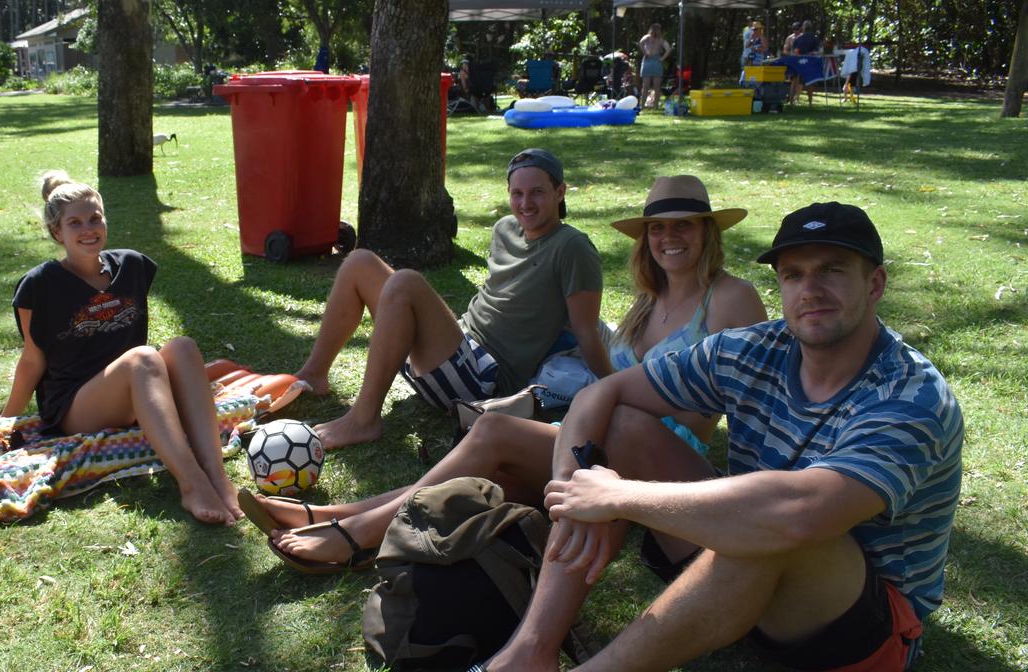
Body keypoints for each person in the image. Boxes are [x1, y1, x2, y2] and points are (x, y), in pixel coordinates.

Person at [478, 202, 964, 672]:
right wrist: (574, 485)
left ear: (874, 283)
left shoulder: (911, 395)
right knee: (624, 424)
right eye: (794, 275)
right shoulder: (756, 350)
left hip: (855, 622)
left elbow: (800, 515)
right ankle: (529, 653)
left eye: (832, 271)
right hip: (740, 572)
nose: (809, 290)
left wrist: (619, 496)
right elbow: (600, 394)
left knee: (773, 526)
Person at [254, 177, 765, 571]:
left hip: (655, 455)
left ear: (708, 231)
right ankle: (336, 517)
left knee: (494, 431)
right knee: (490, 478)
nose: (669, 237)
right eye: (658, 227)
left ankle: (354, 537)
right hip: (599, 438)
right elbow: (606, 372)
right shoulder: (649, 300)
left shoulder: (731, 298)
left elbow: (720, 408)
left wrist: (611, 406)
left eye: (684, 225)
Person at [294, 149, 610, 450]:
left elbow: (585, 330)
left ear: (560, 192)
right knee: (359, 261)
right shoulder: (505, 230)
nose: (526, 203)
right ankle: (313, 375)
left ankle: (363, 420)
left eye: (538, 192)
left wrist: (617, 387)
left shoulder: (573, 247)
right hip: (454, 351)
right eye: (517, 193)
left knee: (405, 283)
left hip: (484, 378)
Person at [0, 171, 242, 525]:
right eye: (75, 223)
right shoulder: (39, 285)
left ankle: (216, 474)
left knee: (183, 346)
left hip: (135, 390)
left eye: (95, 218)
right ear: (56, 232)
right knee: (143, 357)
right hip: (75, 405)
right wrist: (9, 421)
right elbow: (33, 359)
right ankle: (192, 484)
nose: (88, 229)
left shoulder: (132, 265)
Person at [638, 24, 672, 109]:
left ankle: (655, 105)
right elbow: (641, 43)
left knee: (657, 86)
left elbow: (668, 49)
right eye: (654, 30)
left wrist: (662, 58)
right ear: (651, 30)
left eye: (657, 30)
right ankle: (642, 105)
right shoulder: (647, 37)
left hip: (656, 61)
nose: (655, 32)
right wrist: (645, 53)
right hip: (647, 61)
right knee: (645, 85)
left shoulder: (661, 40)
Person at [789, 20, 821, 104]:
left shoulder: (798, 39)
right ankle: (810, 101)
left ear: (802, 28)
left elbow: (795, 52)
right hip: (809, 63)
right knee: (809, 81)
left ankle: (791, 100)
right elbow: (816, 52)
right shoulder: (815, 39)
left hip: (798, 63)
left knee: (794, 80)